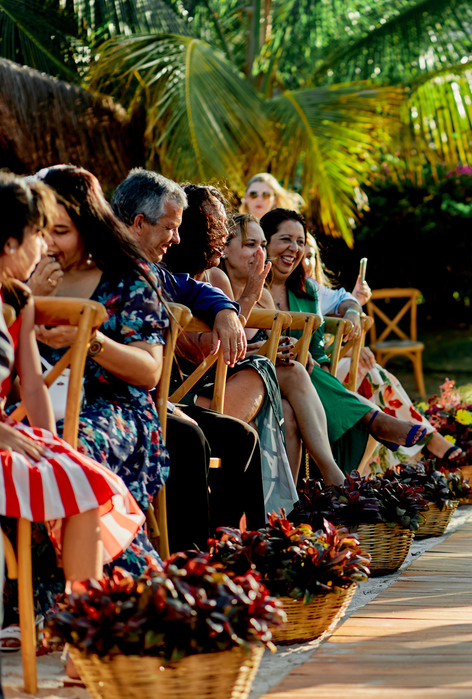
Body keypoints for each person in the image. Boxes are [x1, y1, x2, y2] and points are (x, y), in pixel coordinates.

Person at [0, 172, 146, 599]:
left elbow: (32, 387)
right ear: (10, 243)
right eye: (37, 235)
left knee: (85, 481)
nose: (44, 246)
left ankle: (80, 619)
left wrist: (48, 445)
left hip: (12, 434)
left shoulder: (18, 303)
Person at [110, 172, 268, 541]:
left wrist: (227, 312)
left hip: (154, 396)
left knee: (240, 436)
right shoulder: (104, 265)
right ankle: (191, 566)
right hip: (117, 400)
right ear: (138, 224)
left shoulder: (150, 268)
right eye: (170, 227)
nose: (177, 239)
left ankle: (246, 553)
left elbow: (191, 287)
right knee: (188, 437)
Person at [260, 209, 454, 475]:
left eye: (300, 242)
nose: (294, 248)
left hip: (315, 379)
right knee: (303, 368)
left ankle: (372, 425)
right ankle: (374, 418)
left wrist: (352, 311)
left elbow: (343, 299)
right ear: (265, 241)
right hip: (273, 377)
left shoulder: (310, 290)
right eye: (285, 239)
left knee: (323, 370)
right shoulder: (251, 287)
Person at [32, 166, 170, 525]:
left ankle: (87, 574)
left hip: (114, 409)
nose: (47, 243)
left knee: (66, 453)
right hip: (36, 403)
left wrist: (89, 341)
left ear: (88, 226)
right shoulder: (23, 271)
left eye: (60, 231)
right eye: (40, 230)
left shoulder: (128, 275)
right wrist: (30, 299)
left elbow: (149, 370)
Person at [302, 234, 460, 471]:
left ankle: (400, 461)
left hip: (327, 366)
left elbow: (339, 325)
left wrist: (355, 306)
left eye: (311, 255)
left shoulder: (318, 292)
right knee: (371, 374)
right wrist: (347, 351)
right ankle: (423, 445)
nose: (305, 261)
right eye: (301, 255)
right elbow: (320, 345)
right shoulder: (295, 293)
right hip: (317, 369)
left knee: (370, 372)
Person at [221, 213, 341, 491]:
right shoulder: (217, 282)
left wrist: (293, 351)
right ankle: (332, 475)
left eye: (263, 246)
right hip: (220, 384)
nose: (260, 253)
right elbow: (217, 347)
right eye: (251, 244)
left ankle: (288, 507)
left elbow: (277, 345)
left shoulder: (262, 294)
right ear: (224, 249)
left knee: (289, 400)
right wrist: (264, 351)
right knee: (294, 371)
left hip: (261, 384)